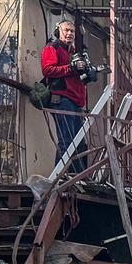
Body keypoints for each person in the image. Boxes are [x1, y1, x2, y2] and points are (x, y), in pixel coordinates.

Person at [41, 19, 89, 172]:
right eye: (66, 30)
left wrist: (89, 72)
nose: (69, 33)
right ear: (58, 32)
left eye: (72, 31)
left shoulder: (73, 53)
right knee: (66, 141)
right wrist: (70, 68)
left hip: (75, 101)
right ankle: (60, 179)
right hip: (62, 99)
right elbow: (48, 70)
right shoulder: (52, 48)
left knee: (79, 143)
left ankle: (77, 179)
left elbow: (78, 76)